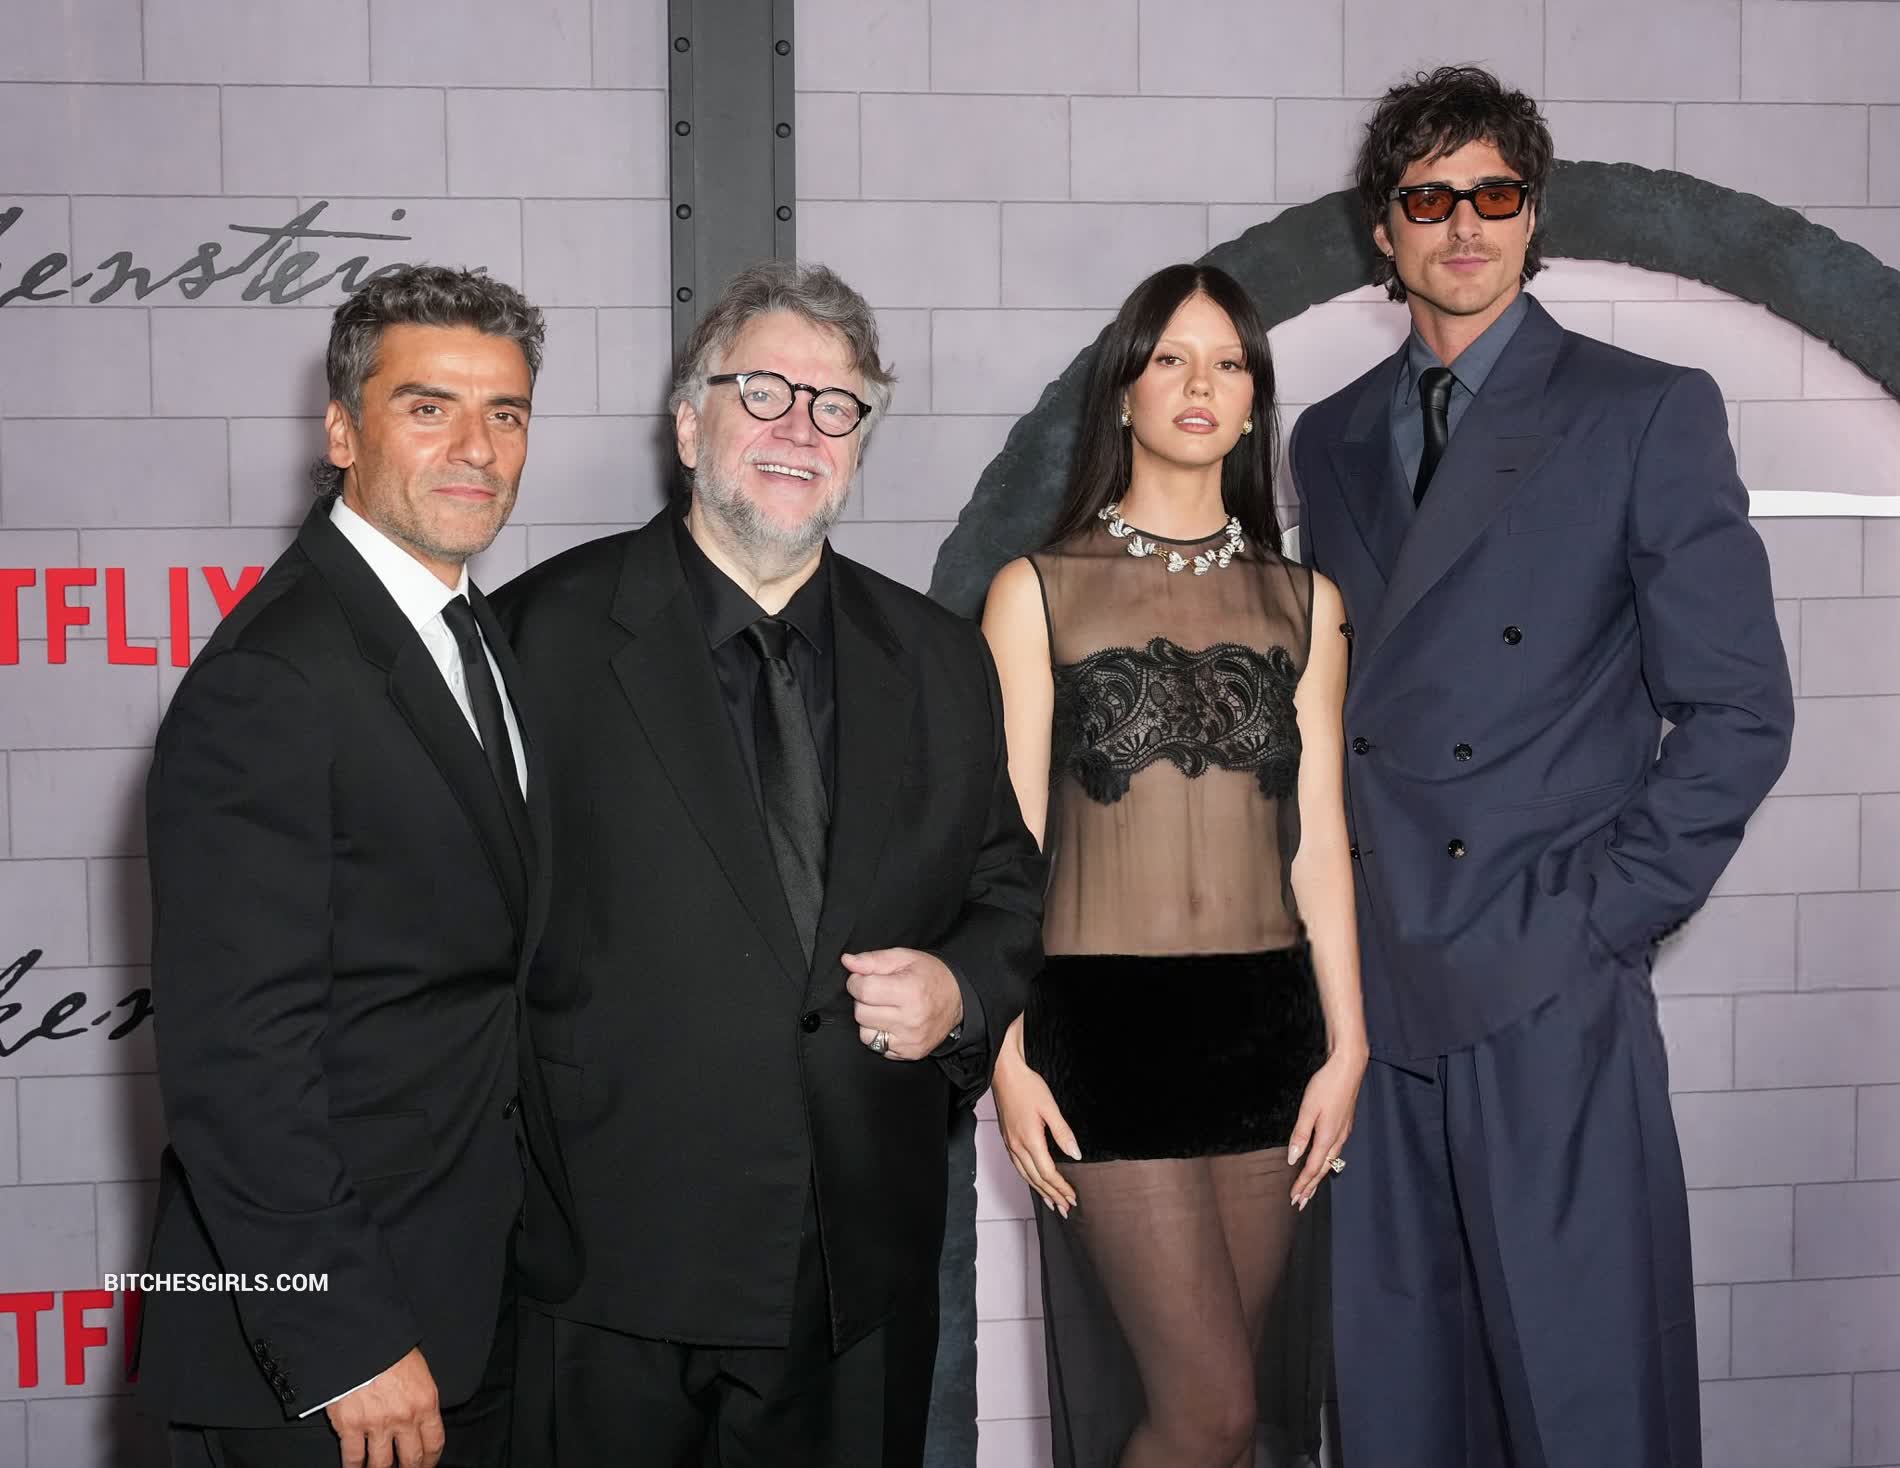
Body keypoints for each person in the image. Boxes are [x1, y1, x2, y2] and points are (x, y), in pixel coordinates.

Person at [1290, 66, 1796, 1468]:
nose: (1465, 224)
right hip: (1375, 1001)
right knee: (1401, 1407)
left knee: (1585, 1404)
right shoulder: (1325, 439)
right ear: (1382, 230)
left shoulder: (1643, 410)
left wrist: (1596, 921)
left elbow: (1740, 710)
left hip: (1544, 985)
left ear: (1531, 217)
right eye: (1429, 199)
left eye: (1495, 193)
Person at [492, 258, 1046, 1468]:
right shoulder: (535, 641)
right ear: (688, 424)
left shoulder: (939, 659)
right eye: (762, 393)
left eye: (835, 405)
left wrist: (959, 989)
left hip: (855, 1282)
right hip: (608, 1276)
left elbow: (1007, 892)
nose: (800, 427)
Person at [139, 265, 581, 1468]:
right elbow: (236, 1061)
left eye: (505, 413)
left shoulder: (471, 632)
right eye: (428, 407)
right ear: (342, 431)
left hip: (469, 1301)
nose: (476, 448)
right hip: (325, 1359)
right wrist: (345, 1340)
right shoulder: (273, 676)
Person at [980, 263, 1368, 1468]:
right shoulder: (1035, 592)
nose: (1200, 383)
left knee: (1236, 1418)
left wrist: (1348, 1043)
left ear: (1252, 404)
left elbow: (1319, 844)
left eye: (1229, 362)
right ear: (1123, 391)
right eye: (1171, 359)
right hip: (1101, 1031)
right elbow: (1005, 849)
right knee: (1206, 1412)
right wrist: (1004, 1056)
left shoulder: (1307, 602)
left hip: (1268, 1031)